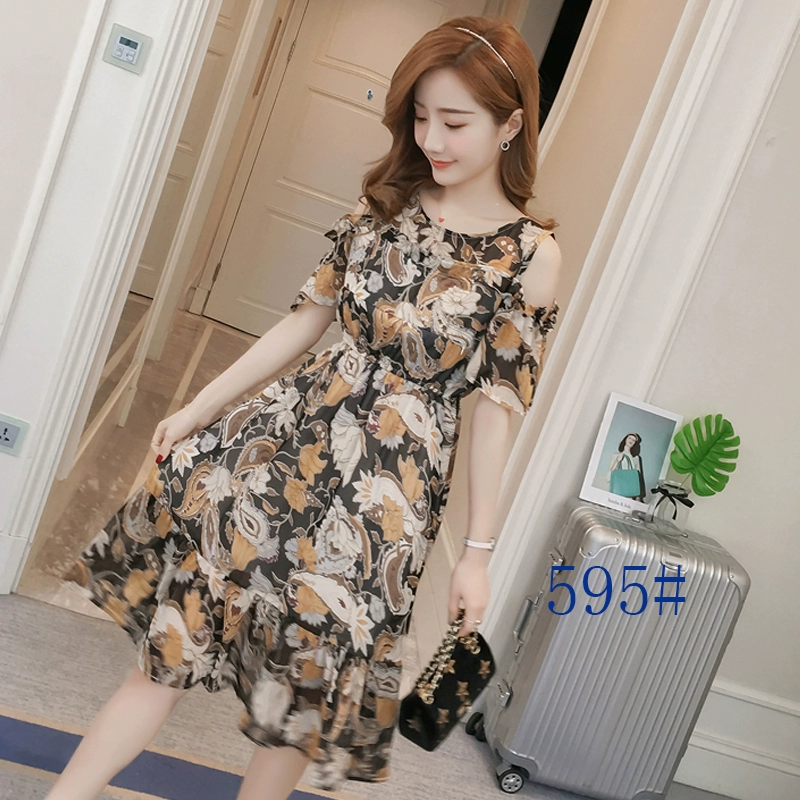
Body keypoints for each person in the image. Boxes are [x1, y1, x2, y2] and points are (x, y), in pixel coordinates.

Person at [54, 14, 562, 800]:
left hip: (383, 506)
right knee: (166, 653)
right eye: (420, 116)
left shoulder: (530, 257)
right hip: (282, 449)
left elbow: (495, 412)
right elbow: (304, 321)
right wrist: (198, 408)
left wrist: (478, 554)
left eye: (455, 122)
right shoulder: (385, 203)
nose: (432, 139)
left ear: (511, 125)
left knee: (300, 710)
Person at [608, 433, 646, 502]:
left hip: (629, 492)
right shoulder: (616, 455)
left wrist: (638, 497)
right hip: (618, 488)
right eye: (630, 438)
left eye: (634, 440)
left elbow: (638, 478)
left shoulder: (636, 458)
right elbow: (610, 474)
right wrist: (617, 461)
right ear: (625, 439)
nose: (631, 440)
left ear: (635, 444)